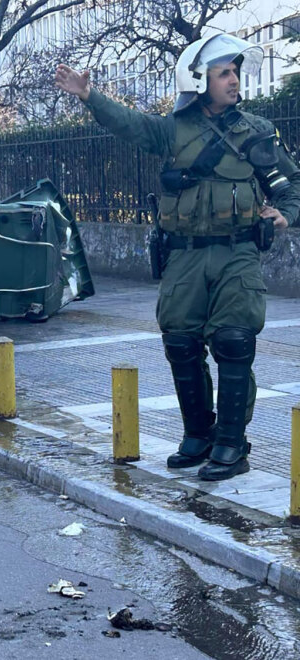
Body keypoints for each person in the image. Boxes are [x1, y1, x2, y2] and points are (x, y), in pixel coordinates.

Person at [55, 34, 300, 481]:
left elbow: (290, 183)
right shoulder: (173, 130)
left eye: (235, 72)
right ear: (198, 79)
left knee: (233, 341)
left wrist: (283, 214)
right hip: (184, 255)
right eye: (223, 72)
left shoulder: (257, 132)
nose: (233, 80)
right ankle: (197, 435)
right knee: (181, 342)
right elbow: (130, 124)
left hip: (237, 252)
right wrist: (89, 96)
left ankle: (231, 442)